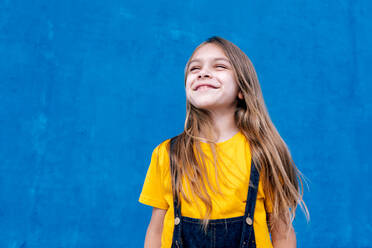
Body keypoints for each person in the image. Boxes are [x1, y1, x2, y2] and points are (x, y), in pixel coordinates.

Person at [139, 36, 309, 248]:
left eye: (219, 66)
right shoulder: (167, 154)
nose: (203, 72)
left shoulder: (263, 153)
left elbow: (282, 234)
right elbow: (156, 231)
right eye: (194, 69)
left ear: (242, 89)